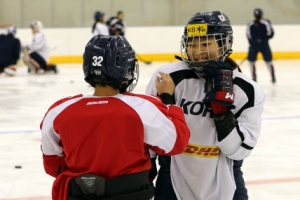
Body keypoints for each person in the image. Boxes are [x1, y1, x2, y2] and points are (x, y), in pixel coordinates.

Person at [40, 34, 190, 200]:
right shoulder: (143, 107)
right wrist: (169, 101)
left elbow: (52, 166)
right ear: (126, 68)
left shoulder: (58, 110)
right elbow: (177, 143)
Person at [146, 11, 266, 200]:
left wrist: (222, 112)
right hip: (172, 175)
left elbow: (238, 151)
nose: (197, 51)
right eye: (192, 43)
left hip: (226, 178)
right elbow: (151, 131)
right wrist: (149, 163)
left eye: (205, 43)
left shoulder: (246, 90)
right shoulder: (168, 78)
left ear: (223, 44)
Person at [246, 8, 275, 83]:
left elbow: (248, 36)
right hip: (264, 44)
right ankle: (273, 76)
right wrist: (264, 39)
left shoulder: (250, 24)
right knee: (269, 61)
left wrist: (252, 43)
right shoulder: (266, 22)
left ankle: (254, 77)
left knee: (251, 62)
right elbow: (270, 33)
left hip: (254, 45)